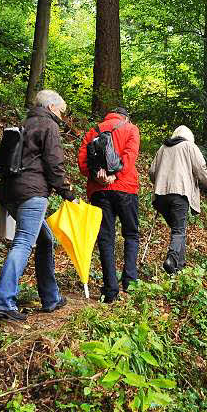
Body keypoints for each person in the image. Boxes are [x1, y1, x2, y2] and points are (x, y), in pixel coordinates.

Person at [0, 89, 75, 321]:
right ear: (52, 107)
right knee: (25, 241)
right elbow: (54, 164)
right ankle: (2, 301)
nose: (62, 117)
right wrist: (68, 194)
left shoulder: (24, 123)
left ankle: (51, 297)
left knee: (45, 239)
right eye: (61, 112)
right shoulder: (49, 125)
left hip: (9, 190)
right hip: (31, 192)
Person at [77, 107, 141, 304]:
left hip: (99, 190)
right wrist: (116, 175)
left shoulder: (93, 131)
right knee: (131, 234)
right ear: (125, 117)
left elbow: (82, 161)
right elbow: (130, 156)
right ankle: (130, 283)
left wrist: (97, 176)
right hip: (126, 189)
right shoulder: (131, 129)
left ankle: (110, 290)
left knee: (105, 238)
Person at [149, 125, 207, 274]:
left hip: (160, 195)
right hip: (179, 193)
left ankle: (178, 267)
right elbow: (201, 169)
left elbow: (152, 172)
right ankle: (171, 259)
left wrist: (161, 181)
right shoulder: (189, 146)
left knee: (177, 230)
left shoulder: (162, 148)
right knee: (179, 230)